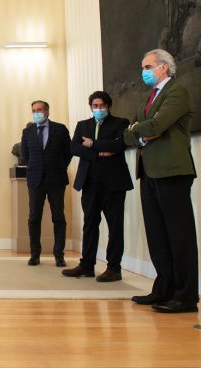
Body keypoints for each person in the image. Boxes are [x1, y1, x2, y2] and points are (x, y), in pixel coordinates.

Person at [124, 49, 198, 313]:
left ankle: (186, 296)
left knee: (179, 236)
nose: (143, 72)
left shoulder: (176, 92)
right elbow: (128, 133)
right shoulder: (148, 97)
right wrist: (140, 134)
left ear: (163, 68)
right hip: (149, 171)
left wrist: (141, 131)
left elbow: (157, 125)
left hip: (172, 171)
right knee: (157, 235)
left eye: (147, 66)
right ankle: (164, 289)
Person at [62, 91, 132, 282]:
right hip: (89, 182)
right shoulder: (83, 125)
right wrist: (99, 153)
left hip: (114, 183)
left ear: (108, 106)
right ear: (91, 107)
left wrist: (92, 144)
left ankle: (114, 268)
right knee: (90, 224)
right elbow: (74, 147)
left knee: (114, 226)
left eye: (102, 106)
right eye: (95, 106)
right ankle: (87, 266)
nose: (98, 109)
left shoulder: (121, 123)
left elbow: (120, 145)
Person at [21, 100, 72, 267]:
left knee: (58, 217)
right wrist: (36, 168)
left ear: (47, 112)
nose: (37, 113)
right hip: (35, 180)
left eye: (40, 110)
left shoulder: (60, 129)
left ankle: (59, 255)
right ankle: (35, 254)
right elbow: (26, 156)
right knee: (34, 218)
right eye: (34, 110)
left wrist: (58, 167)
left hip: (56, 179)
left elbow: (68, 153)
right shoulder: (27, 131)